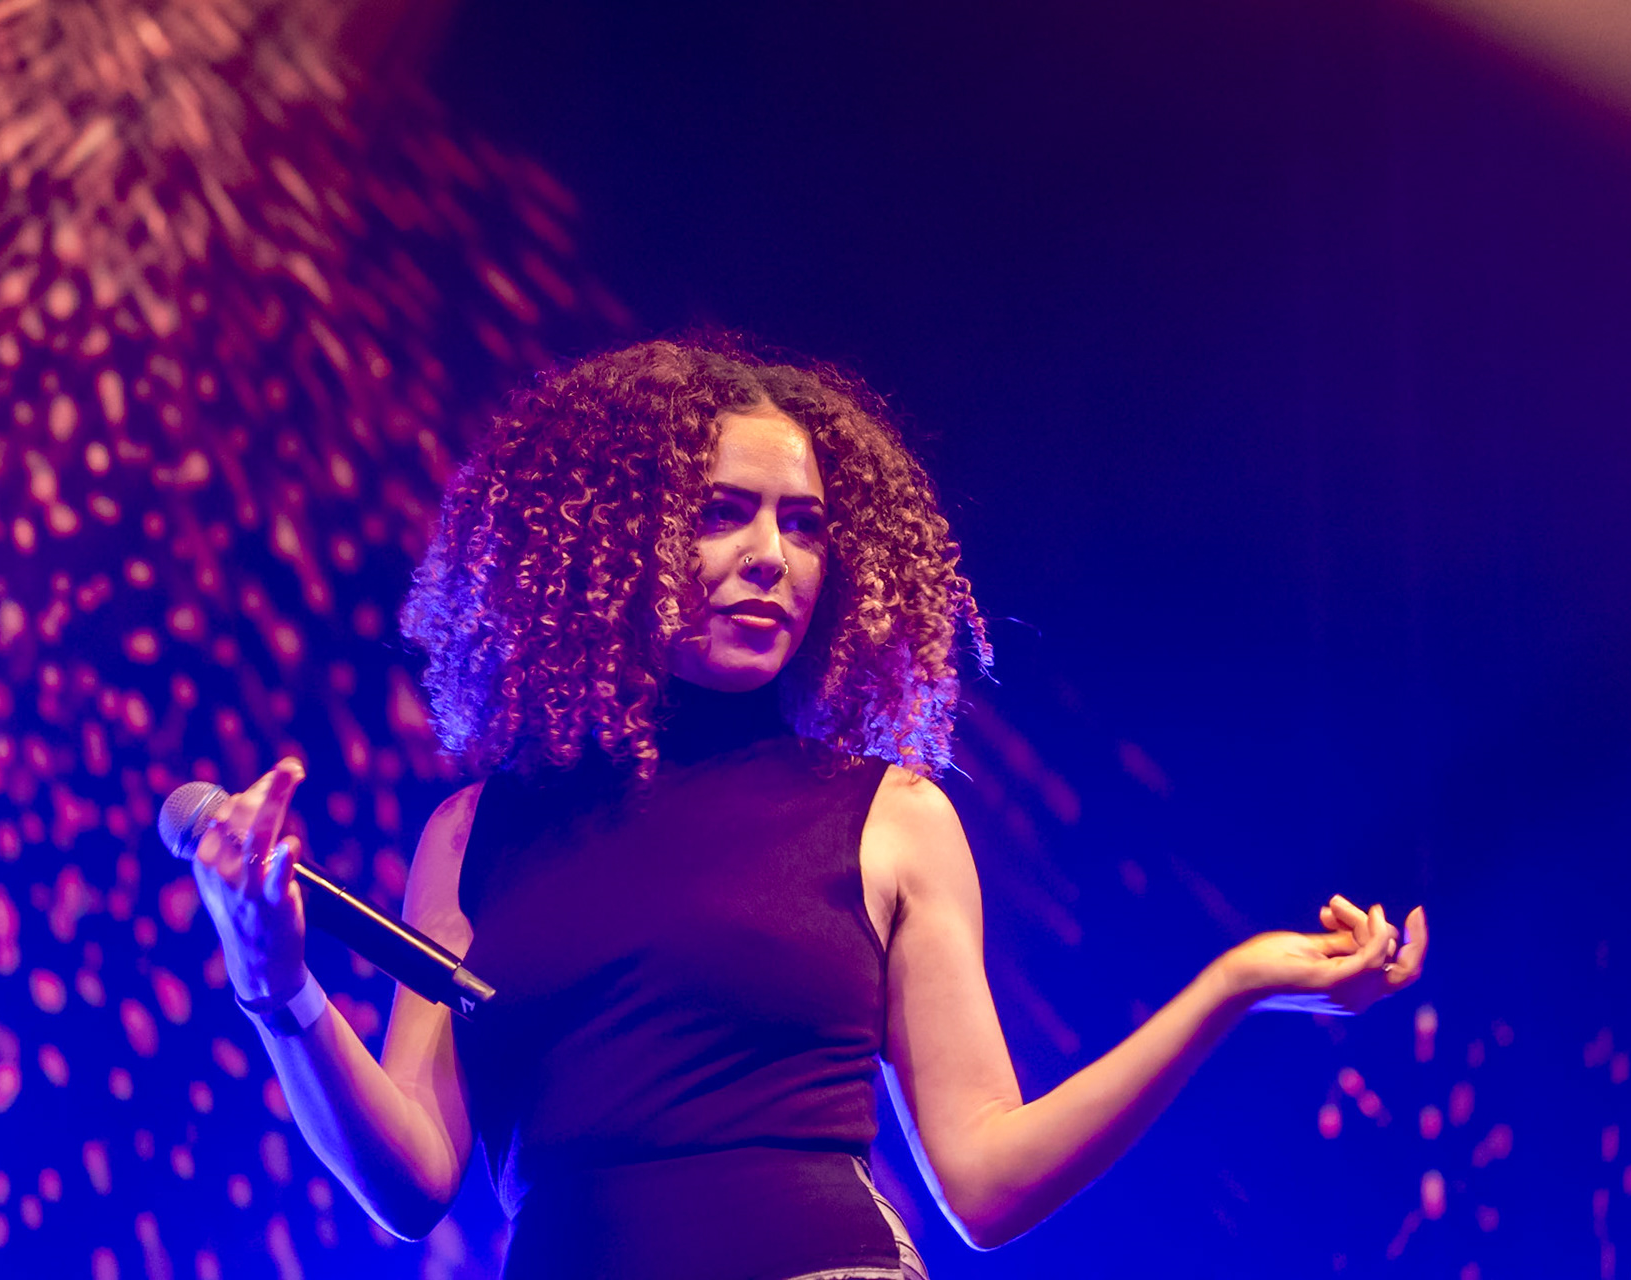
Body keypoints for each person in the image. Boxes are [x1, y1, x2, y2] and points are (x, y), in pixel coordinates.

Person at [191, 338, 1428, 1279]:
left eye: (804, 523)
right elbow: (410, 1181)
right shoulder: (474, 832)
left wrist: (1236, 984)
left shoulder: (888, 815)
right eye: (722, 510)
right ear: (611, 542)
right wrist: (276, 981)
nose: (772, 556)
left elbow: (985, 1179)